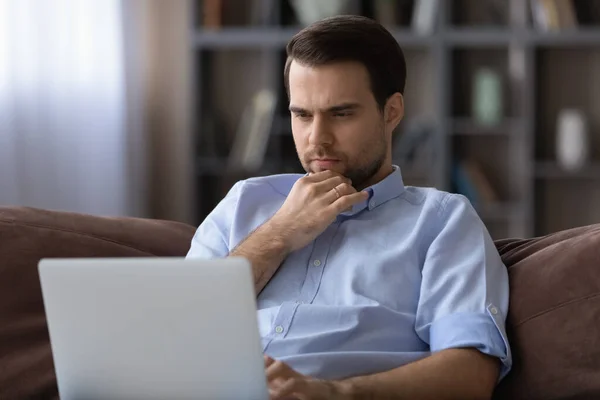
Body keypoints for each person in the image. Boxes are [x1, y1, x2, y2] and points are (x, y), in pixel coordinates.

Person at [187, 14, 511, 400]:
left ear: (391, 112)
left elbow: (470, 373)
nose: (317, 139)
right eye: (302, 115)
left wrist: (332, 392)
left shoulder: (442, 222)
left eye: (340, 114)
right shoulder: (245, 202)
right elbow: (178, 326)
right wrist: (279, 233)